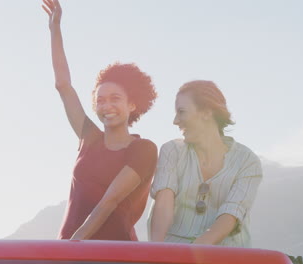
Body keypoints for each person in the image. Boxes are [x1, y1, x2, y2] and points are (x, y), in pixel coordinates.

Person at [42, 0, 158, 241]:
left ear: (132, 104)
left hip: (114, 252)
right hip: (69, 250)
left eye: (115, 98)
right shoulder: (89, 138)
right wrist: (55, 30)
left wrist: (73, 245)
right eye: (100, 100)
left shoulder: (144, 149)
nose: (107, 106)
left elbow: (109, 201)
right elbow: (63, 85)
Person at [148, 80, 262, 247]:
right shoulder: (172, 151)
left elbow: (230, 215)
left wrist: (192, 255)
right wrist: (156, 253)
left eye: (181, 112)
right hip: (173, 255)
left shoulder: (247, 161)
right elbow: (163, 205)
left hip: (225, 256)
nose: (175, 120)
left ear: (207, 112)